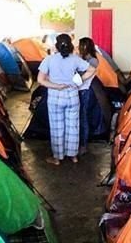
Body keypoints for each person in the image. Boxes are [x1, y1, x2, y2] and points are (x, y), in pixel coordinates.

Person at [37, 34, 95, 165]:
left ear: (56, 46)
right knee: (73, 126)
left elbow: (40, 80)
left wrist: (56, 86)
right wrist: (78, 81)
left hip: (55, 97)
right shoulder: (75, 59)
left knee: (57, 128)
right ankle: (73, 156)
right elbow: (92, 70)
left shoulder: (49, 59)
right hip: (72, 96)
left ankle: (57, 158)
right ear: (70, 45)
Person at [76, 37, 100, 156]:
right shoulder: (83, 59)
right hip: (79, 90)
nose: (78, 48)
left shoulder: (93, 61)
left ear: (85, 46)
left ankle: (83, 145)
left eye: (80, 46)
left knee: (83, 117)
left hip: (84, 90)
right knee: (80, 117)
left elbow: (83, 76)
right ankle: (79, 143)